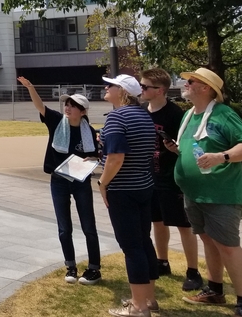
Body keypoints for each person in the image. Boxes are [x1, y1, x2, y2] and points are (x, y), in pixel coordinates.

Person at [164, 68, 242, 317]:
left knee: (228, 246)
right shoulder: (189, 115)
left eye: (190, 81)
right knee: (208, 241)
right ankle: (215, 290)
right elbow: (190, 150)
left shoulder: (223, 114)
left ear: (205, 87)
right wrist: (174, 148)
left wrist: (221, 156)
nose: (185, 83)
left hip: (220, 194)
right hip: (195, 193)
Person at [17, 77, 101, 285]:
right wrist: (31, 88)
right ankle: (70, 266)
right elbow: (40, 106)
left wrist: (94, 158)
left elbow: (94, 155)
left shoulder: (88, 131)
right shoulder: (56, 122)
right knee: (64, 227)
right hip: (59, 181)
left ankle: (94, 268)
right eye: (67, 104)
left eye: (73, 105)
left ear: (83, 111)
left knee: (88, 225)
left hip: (81, 181)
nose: (68, 107)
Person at [99, 74, 158, 317]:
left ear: (121, 91)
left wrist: (103, 183)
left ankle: (139, 307)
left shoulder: (116, 116)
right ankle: (148, 299)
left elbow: (116, 158)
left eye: (110, 85)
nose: (106, 87)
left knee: (132, 247)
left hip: (123, 189)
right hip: (144, 186)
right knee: (144, 242)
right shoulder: (144, 115)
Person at [139, 68, 202, 291]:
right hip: (148, 176)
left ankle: (193, 271)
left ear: (161, 90)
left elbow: (188, 149)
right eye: (141, 85)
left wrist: (175, 149)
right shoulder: (140, 111)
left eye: (146, 86)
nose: (142, 89)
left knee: (184, 225)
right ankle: (162, 261)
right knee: (157, 221)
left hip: (172, 177)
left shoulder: (176, 115)